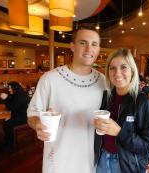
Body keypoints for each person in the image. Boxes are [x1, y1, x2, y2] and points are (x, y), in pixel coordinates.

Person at [27, 28, 105, 173]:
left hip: (90, 160)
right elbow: (32, 113)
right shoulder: (50, 79)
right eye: (83, 43)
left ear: (99, 48)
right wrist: (37, 123)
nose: (89, 48)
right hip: (57, 160)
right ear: (72, 46)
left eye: (94, 44)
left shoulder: (103, 81)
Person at [94, 48, 149, 173]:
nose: (117, 73)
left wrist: (119, 132)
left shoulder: (144, 103)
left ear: (132, 71)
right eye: (112, 68)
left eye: (123, 67)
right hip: (101, 159)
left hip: (126, 166)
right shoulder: (106, 97)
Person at [0, 81, 30, 149]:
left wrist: (5, 99)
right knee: (7, 121)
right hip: (21, 115)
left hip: (24, 118)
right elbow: (13, 104)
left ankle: (9, 144)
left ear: (15, 88)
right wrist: (8, 97)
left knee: (7, 123)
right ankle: (9, 140)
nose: (9, 89)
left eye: (10, 88)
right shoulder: (19, 94)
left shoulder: (20, 97)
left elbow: (10, 108)